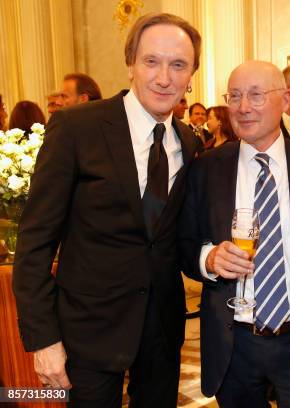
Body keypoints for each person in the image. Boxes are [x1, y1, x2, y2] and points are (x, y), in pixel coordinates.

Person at [12, 12, 201, 407]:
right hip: (88, 334)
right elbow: (35, 242)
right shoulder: (76, 128)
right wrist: (43, 338)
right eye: (152, 61)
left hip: (162, 336)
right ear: (130, 63)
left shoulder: (187, 140)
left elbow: (173, 237)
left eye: (178, 65)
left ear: (191, 74)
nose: (164, 77)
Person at [178, 60, 290, 407]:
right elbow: (183, 244)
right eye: (235, 96)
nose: (243, 107)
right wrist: (209, 258)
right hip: (235, 344)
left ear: (285, 99)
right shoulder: (206, 168)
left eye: (256, 95)